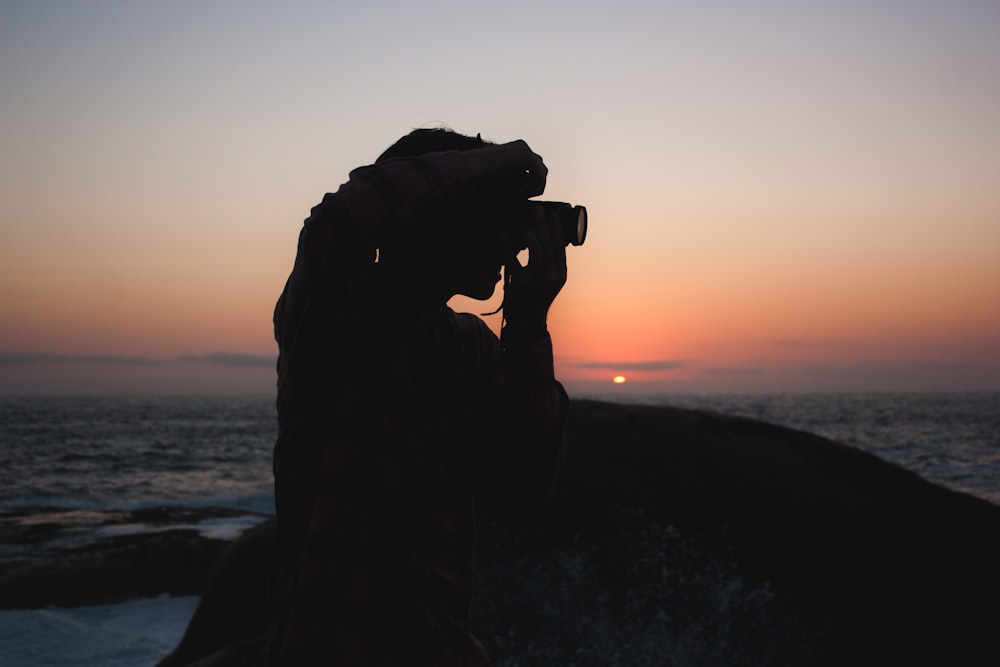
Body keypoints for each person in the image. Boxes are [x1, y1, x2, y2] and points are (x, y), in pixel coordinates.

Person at [267, 128, 570, 665]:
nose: (509, 241)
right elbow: (339, 221)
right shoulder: (337, 320)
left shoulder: (468, 348)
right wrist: (501, 161)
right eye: (492, 217)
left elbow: (523, 486)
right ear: (429, 216)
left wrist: (528, 324)